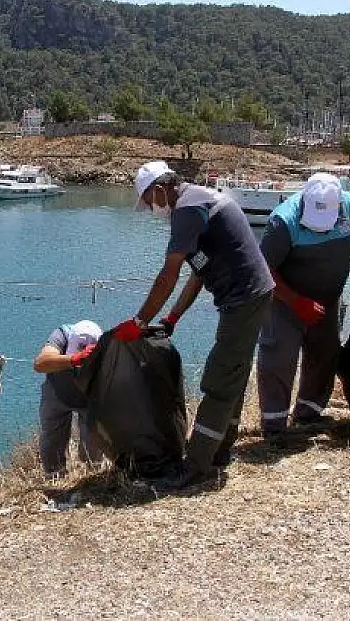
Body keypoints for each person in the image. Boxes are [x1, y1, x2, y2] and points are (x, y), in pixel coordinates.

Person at [116, 161, 275, 492]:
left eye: (147, 201)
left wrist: (139, 321)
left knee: (219, 379)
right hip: (252, 296)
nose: (148, 209)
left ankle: (197, 466)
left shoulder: (188, 209)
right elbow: (198, 272)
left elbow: (169, 273)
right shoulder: (196, 202)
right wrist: (173, 317)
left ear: (160, 190)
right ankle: (219, 449)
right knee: (234, 373)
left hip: (243, 299)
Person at [256, 172, 350, 440]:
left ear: (339, 205)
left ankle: (309, 413)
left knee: (325, 355)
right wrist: (296, 302)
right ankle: (274, 427)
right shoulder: (282, 221)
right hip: (284, 302)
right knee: (278, 359)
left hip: (327, 300)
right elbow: (264, 271)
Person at [31, 320, 105, 477]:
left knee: (93, 450)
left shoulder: (106, 344)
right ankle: (54, 476)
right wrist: (75, 359)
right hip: (57, 392)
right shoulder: (63, 334)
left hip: (90, 400)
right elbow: (40, 364)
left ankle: (92, 481)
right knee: (51, 443)